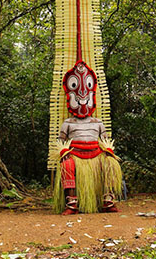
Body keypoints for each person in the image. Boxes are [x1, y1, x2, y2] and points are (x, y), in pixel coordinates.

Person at [52, 62, 123, 215]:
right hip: (75, 154)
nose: (82, 99)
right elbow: (61, 142)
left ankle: (108, 200)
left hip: (95, 154)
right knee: (67, 165)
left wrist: (108, 151)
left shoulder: (98, 123)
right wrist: (64, 151)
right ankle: (72, 203)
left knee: (110, 163)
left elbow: (105, 142)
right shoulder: (68, 123)